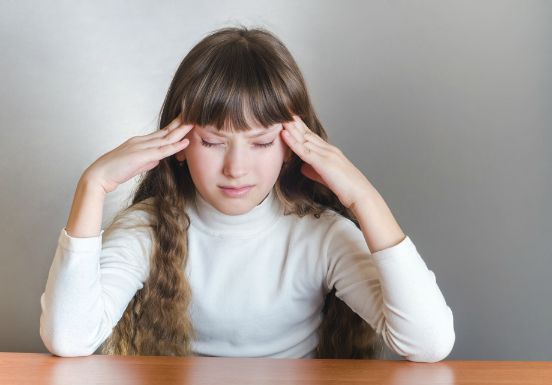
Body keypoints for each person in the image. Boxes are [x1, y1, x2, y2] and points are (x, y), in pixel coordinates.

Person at [39, 26, 455, 362]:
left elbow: (428, 342)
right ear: (178, 145)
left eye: (260, 143)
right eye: (213, 142)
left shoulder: (320, 235)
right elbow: (70, 339)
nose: (236, 168)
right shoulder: (148, 229)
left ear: (291, 147)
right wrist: (92, 185)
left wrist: (363, 198)